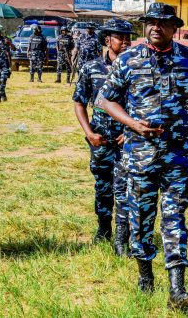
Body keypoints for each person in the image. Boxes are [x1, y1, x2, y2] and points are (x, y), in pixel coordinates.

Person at [98, 3, 188, 310]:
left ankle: (178, 288)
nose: (156, 27)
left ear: (175, 27)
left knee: (175, 217)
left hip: (178, 155)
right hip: (140, 155)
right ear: (145, 26)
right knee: (142, 217)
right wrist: (132, 123)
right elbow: (106, 100)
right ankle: (145, 274)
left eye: (163, 22)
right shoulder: (129, 60)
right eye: (151, 22)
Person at [72, 19, 136, 256]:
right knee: (103, 185)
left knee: (126, 187)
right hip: (100, 139)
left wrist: (130, 131)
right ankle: (103, 228)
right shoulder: (91, 68)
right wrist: (89, 133)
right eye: (121, 37)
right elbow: (79, 102)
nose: (127, 41)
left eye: (129, 37)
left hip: (126, 139)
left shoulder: (136, 68)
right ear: (107, 40)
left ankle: (124, 234)